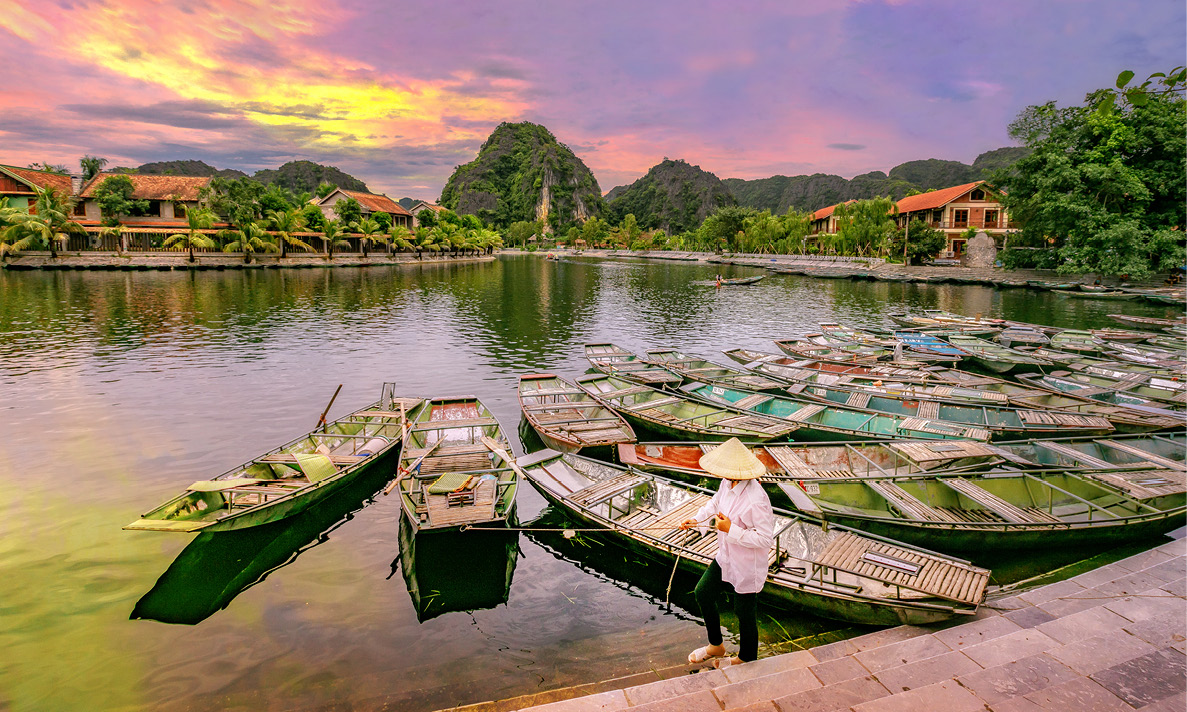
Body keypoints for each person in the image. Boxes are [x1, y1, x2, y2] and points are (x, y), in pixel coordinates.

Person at [679, 438, 774, 668]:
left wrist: (732, 529)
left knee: (743, 610)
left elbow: (765, 538)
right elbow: (715, 503)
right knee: (703, 592)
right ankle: (716, 645)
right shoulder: (727, 483)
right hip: (727, 556)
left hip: (747, 563)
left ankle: (747, 658)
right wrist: (698, 519)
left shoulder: (756, 499)